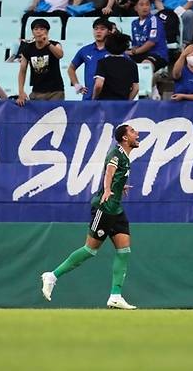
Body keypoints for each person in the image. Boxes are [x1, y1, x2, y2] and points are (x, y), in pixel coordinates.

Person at [40, 124, 141, 310]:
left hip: (116, 208)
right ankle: (52, 276)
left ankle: (115, 296)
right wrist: (109, 189)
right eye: (133, 131)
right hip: (105, 207)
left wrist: (119, 187)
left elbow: (115, 174)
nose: (137, 134)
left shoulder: (125, 156)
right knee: (90, 250)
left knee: (124, 249)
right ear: (125, 138)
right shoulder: (116, 153)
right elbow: (110, 170)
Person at [128, 0, 169, 100]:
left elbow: (151, 42)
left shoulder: (154, 20)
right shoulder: (134, 23)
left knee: (146, 64)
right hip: (141, 53)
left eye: (147, 4)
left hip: (158, 54)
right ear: (135, 8)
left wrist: (134, 51)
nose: (145, 7)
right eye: (141, 4)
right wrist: (128, 51)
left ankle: (148, 93)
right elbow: (136, 44)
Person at [17, 18, 64, 104]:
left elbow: (60, 55)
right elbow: (22, 70)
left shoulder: (55, 44)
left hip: (55, 91)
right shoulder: (27, 48)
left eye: (42, 29)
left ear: (47, 32)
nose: (39, 32)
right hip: (37, 91)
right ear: (32, 32)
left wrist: (48, 44)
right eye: (36, 29)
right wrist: (21, 91)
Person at [68, 18, 112, 101]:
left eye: (102, 29)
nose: (98, 31)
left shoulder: (114, 50)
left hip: (109, 98)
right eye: (96, 29)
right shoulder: (85, 50)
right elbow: (71, 69)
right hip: (89, 98)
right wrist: (77, 85)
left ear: (109, 32)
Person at [93, 33, 139, 100]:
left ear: (107, 46)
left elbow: (98, 85)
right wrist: (127, 102)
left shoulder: (103, 62)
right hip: (122, 105)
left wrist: (94, 98)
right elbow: (136, 88)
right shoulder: (132, 64)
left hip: (105, 104)